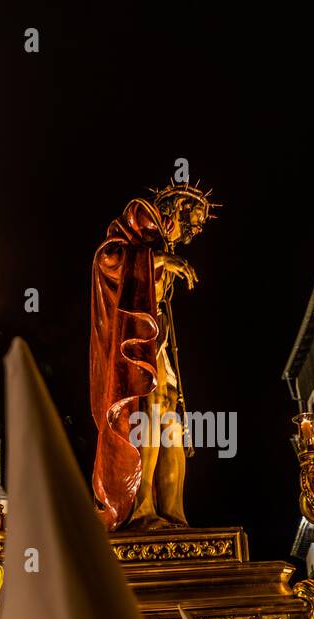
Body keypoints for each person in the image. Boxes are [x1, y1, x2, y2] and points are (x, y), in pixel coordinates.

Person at [89, 180, 216, 531]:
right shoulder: (140, 219)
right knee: (148, 415)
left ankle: (173, 513)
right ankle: (142, 509)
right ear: (178, 205)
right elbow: (108, 259)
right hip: (135, 345)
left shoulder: (162, 241)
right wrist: (159, 259)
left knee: (170, 419)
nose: (197, 227)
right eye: (196, 216)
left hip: (155, 338)